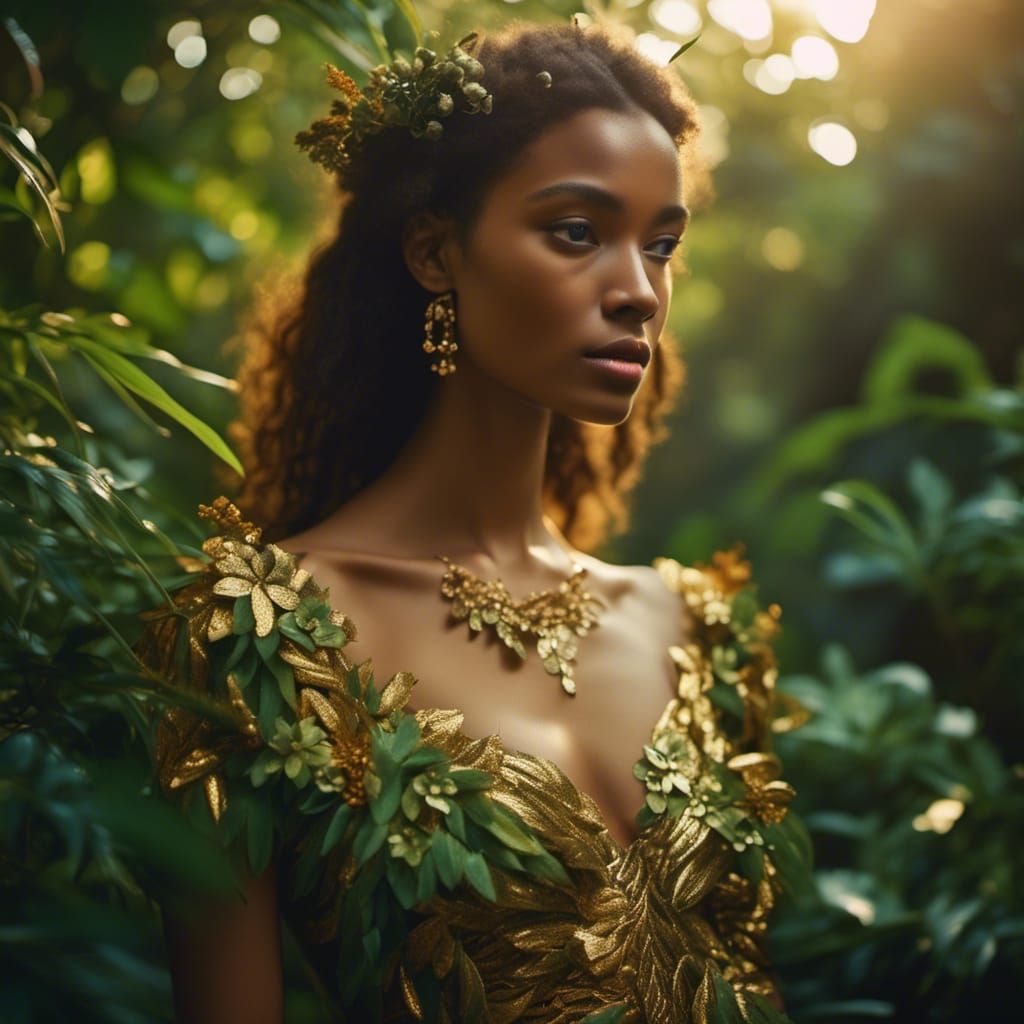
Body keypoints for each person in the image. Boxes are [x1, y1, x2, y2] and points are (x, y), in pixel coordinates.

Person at [136, 17, 806, 1023]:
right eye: (577, 232)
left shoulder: (691, 627)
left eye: (659, 245)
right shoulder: (251, 639)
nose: (636, 290)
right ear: (435, 251)